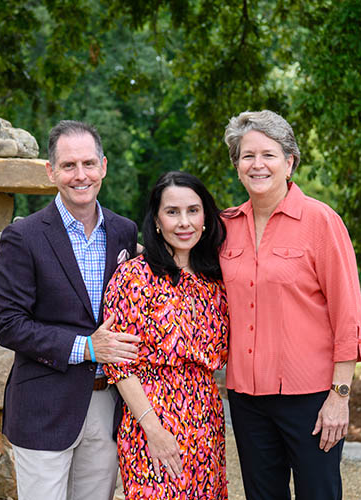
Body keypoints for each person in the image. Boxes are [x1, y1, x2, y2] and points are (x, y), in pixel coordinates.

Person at [220, 110, 361, 500]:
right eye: (247, 156)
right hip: (247, 399)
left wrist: (340, 396)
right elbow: (180, 262)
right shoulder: (224, 227)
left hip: (312, 399)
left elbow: (348, 315)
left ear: (290, 161)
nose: (257, 165)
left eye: (268, 154)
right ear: (236, 166)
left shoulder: (321, 221)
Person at [0, 120, 139, 500]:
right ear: (51, 171)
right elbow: (8, 325)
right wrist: (87, 347)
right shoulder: (24, 237)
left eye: (89, 164)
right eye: (69, 166)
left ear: (104, 166)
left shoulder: (124, 232)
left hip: (106, 403)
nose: (80, 175)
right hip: (43, 406)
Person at [102, 171, 229, 499]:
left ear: (206, 217)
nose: (184, 222)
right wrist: (153, 430)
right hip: (151, 419)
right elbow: (120, 365)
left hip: (205, 420)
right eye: (172, 212)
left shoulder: (217, 280)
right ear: (157, 221)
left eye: (193, 210)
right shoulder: (133, 277)